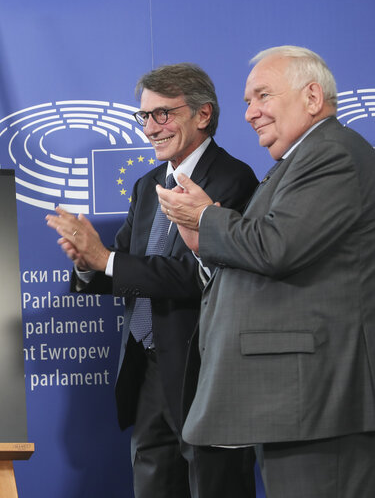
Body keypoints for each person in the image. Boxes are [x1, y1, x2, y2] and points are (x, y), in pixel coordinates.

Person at [158, 46, 375, 497]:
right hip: (298, 406)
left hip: (320, 404)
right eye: (246, 102)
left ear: (312, 97)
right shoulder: (297, 161)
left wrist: (206, 218)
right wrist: (206, 240)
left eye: (262, 96)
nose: (251, 113)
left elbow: (278, 246)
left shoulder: (330, 154)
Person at [46, 63, 257, 498]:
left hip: (204, 374)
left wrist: (106, 258)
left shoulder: (234, 180)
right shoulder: (146, 186)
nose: (150, 127)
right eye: (144, 116)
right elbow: (124, 267)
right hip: (147, 373)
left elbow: (197, 276)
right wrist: (89, 263)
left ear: (203, 114)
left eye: (163, 114)